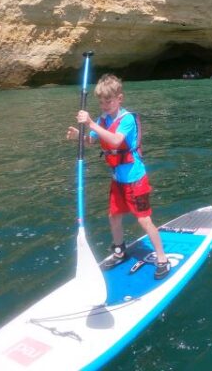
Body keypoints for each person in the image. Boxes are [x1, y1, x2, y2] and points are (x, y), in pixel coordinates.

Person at [66, 74, 170, 279]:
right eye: (101, 101)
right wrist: (79, 136)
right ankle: (119, 250)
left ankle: (162, 258)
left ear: (119, 99)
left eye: (109, 101)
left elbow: (114, 141)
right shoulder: (102, 120)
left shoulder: (127, 119)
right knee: (114, 216)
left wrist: (90, 123)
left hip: (136, 179)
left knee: (144, 221)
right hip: (118, 180)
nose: (105, 105)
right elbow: (92, 140)